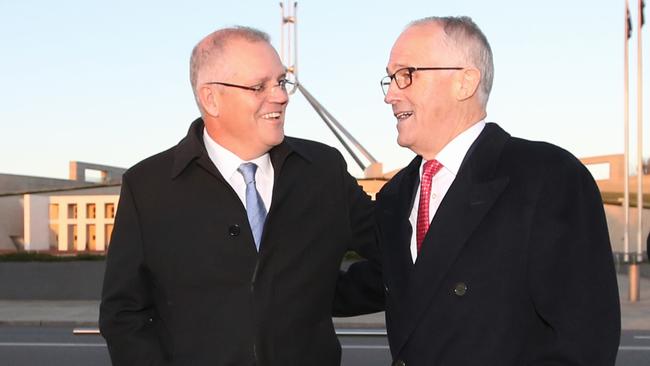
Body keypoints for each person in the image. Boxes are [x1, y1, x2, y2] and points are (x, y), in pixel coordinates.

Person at [99, 26, 381, 365]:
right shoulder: (148, 186)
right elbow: (123, 313)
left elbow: (395, 253)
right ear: (211, 98)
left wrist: (323, 294)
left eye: (280, 81)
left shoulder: (323, 171)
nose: (280, 96)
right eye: (259, 86)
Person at [374, 16, 620, 365]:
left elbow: (583, 343)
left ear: (465, 81)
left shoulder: (547, 177)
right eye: (390, 77)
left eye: (406, 74)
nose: (390, 94)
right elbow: (381, 282)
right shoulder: (395, 196)